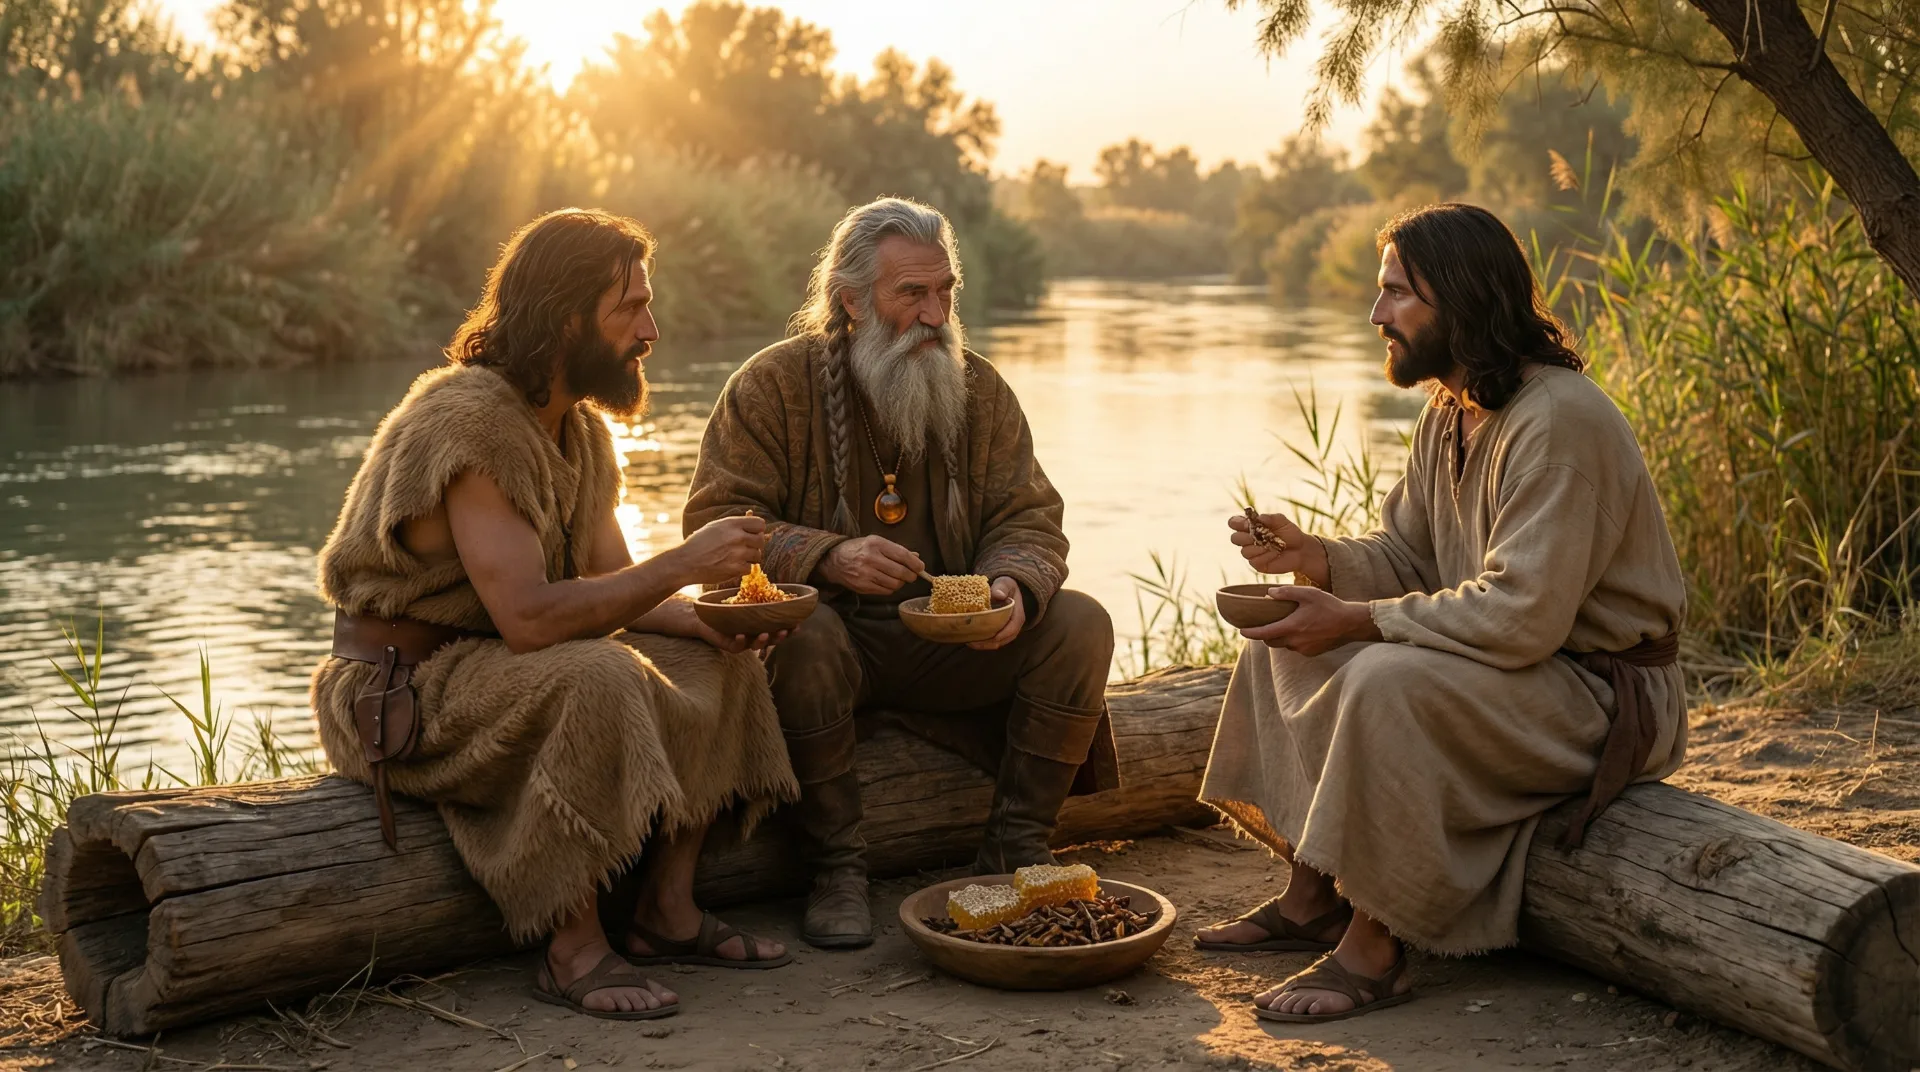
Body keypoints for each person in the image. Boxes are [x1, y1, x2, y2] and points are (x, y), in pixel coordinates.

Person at [1194, 203, 1686, 1023]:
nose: (1376, 314)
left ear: (1460, 299)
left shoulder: (1559, 422)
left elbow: (1523, 615)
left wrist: (1357, 621)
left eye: (1396, 293)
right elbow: (1410, 557)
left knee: (1385, 682)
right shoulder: (1452, 409)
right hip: (1515, 675)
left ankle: (1376, 948)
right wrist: (1315, 557)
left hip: (1598, 699)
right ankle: (1312, 898)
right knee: (1280, 643)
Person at [311, 208, 800, 1021]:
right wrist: (684, 562)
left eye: (648, 307)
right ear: (567, 319)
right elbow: (532, 622)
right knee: (597, 673)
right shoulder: (471, 422)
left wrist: (711, 620)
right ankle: (571, 946)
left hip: (498, 665)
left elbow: (614, 585)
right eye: (630, 310)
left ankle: (666, 911)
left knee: (722, 657)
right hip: (404, 688)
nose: (650, 331)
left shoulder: (582, 432)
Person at [683, 197, 1118, 951]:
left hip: (957, 645)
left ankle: (1016, 846)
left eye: (945, 290)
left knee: (1081, 622)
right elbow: (713, 528)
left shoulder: (980, 389)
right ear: (851, 301)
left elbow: (1030, 518)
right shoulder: (770, 387)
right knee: (806, 634)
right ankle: (836, 870)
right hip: (834, 650)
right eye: (911, 293)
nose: (935, 315)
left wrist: (1011, 586)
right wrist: (829, 556)